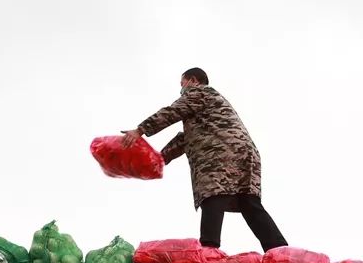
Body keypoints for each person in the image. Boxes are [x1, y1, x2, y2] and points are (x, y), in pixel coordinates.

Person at [121, 68, 288, 251]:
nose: (181, 89)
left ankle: (209, 249)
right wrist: (160, 158)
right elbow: (185, 139)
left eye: (182, 83)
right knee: (249, 203)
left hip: (219, 152)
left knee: (213, 194)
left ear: (193, 80)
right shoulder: (209, 108)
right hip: (244, 154)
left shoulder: (199, 92)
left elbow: (173, 111)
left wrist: (140, 130)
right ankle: (279, 250)